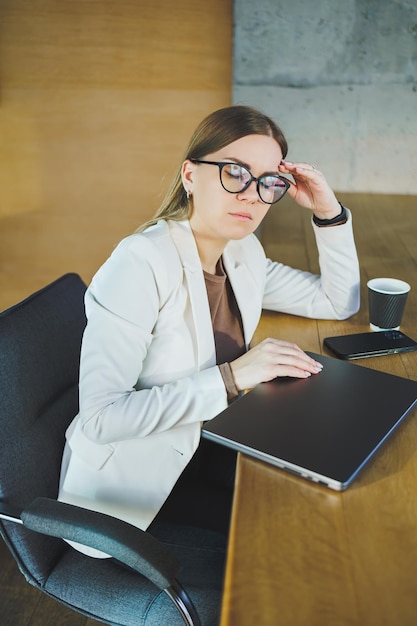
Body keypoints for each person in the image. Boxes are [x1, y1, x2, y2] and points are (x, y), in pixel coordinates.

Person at [58, 105, 360, 556]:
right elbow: (101, 421)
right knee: (301, 542)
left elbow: (339, 302)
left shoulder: (243, 254)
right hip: (137, 493)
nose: (252, 195)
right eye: (235, 172)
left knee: (334, 487)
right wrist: (232, 377)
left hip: (210, 441)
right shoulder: (140, 263)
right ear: (191, 175)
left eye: (267, 183)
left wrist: (329, 212)